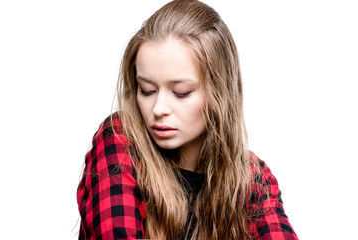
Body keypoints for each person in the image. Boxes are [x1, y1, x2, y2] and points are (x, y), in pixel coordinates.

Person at [77, 0, 298, 239]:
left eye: (181, 92)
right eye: (147, 90)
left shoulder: (253, 180)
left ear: (219, 94)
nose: (159, 108)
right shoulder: (120, 140)